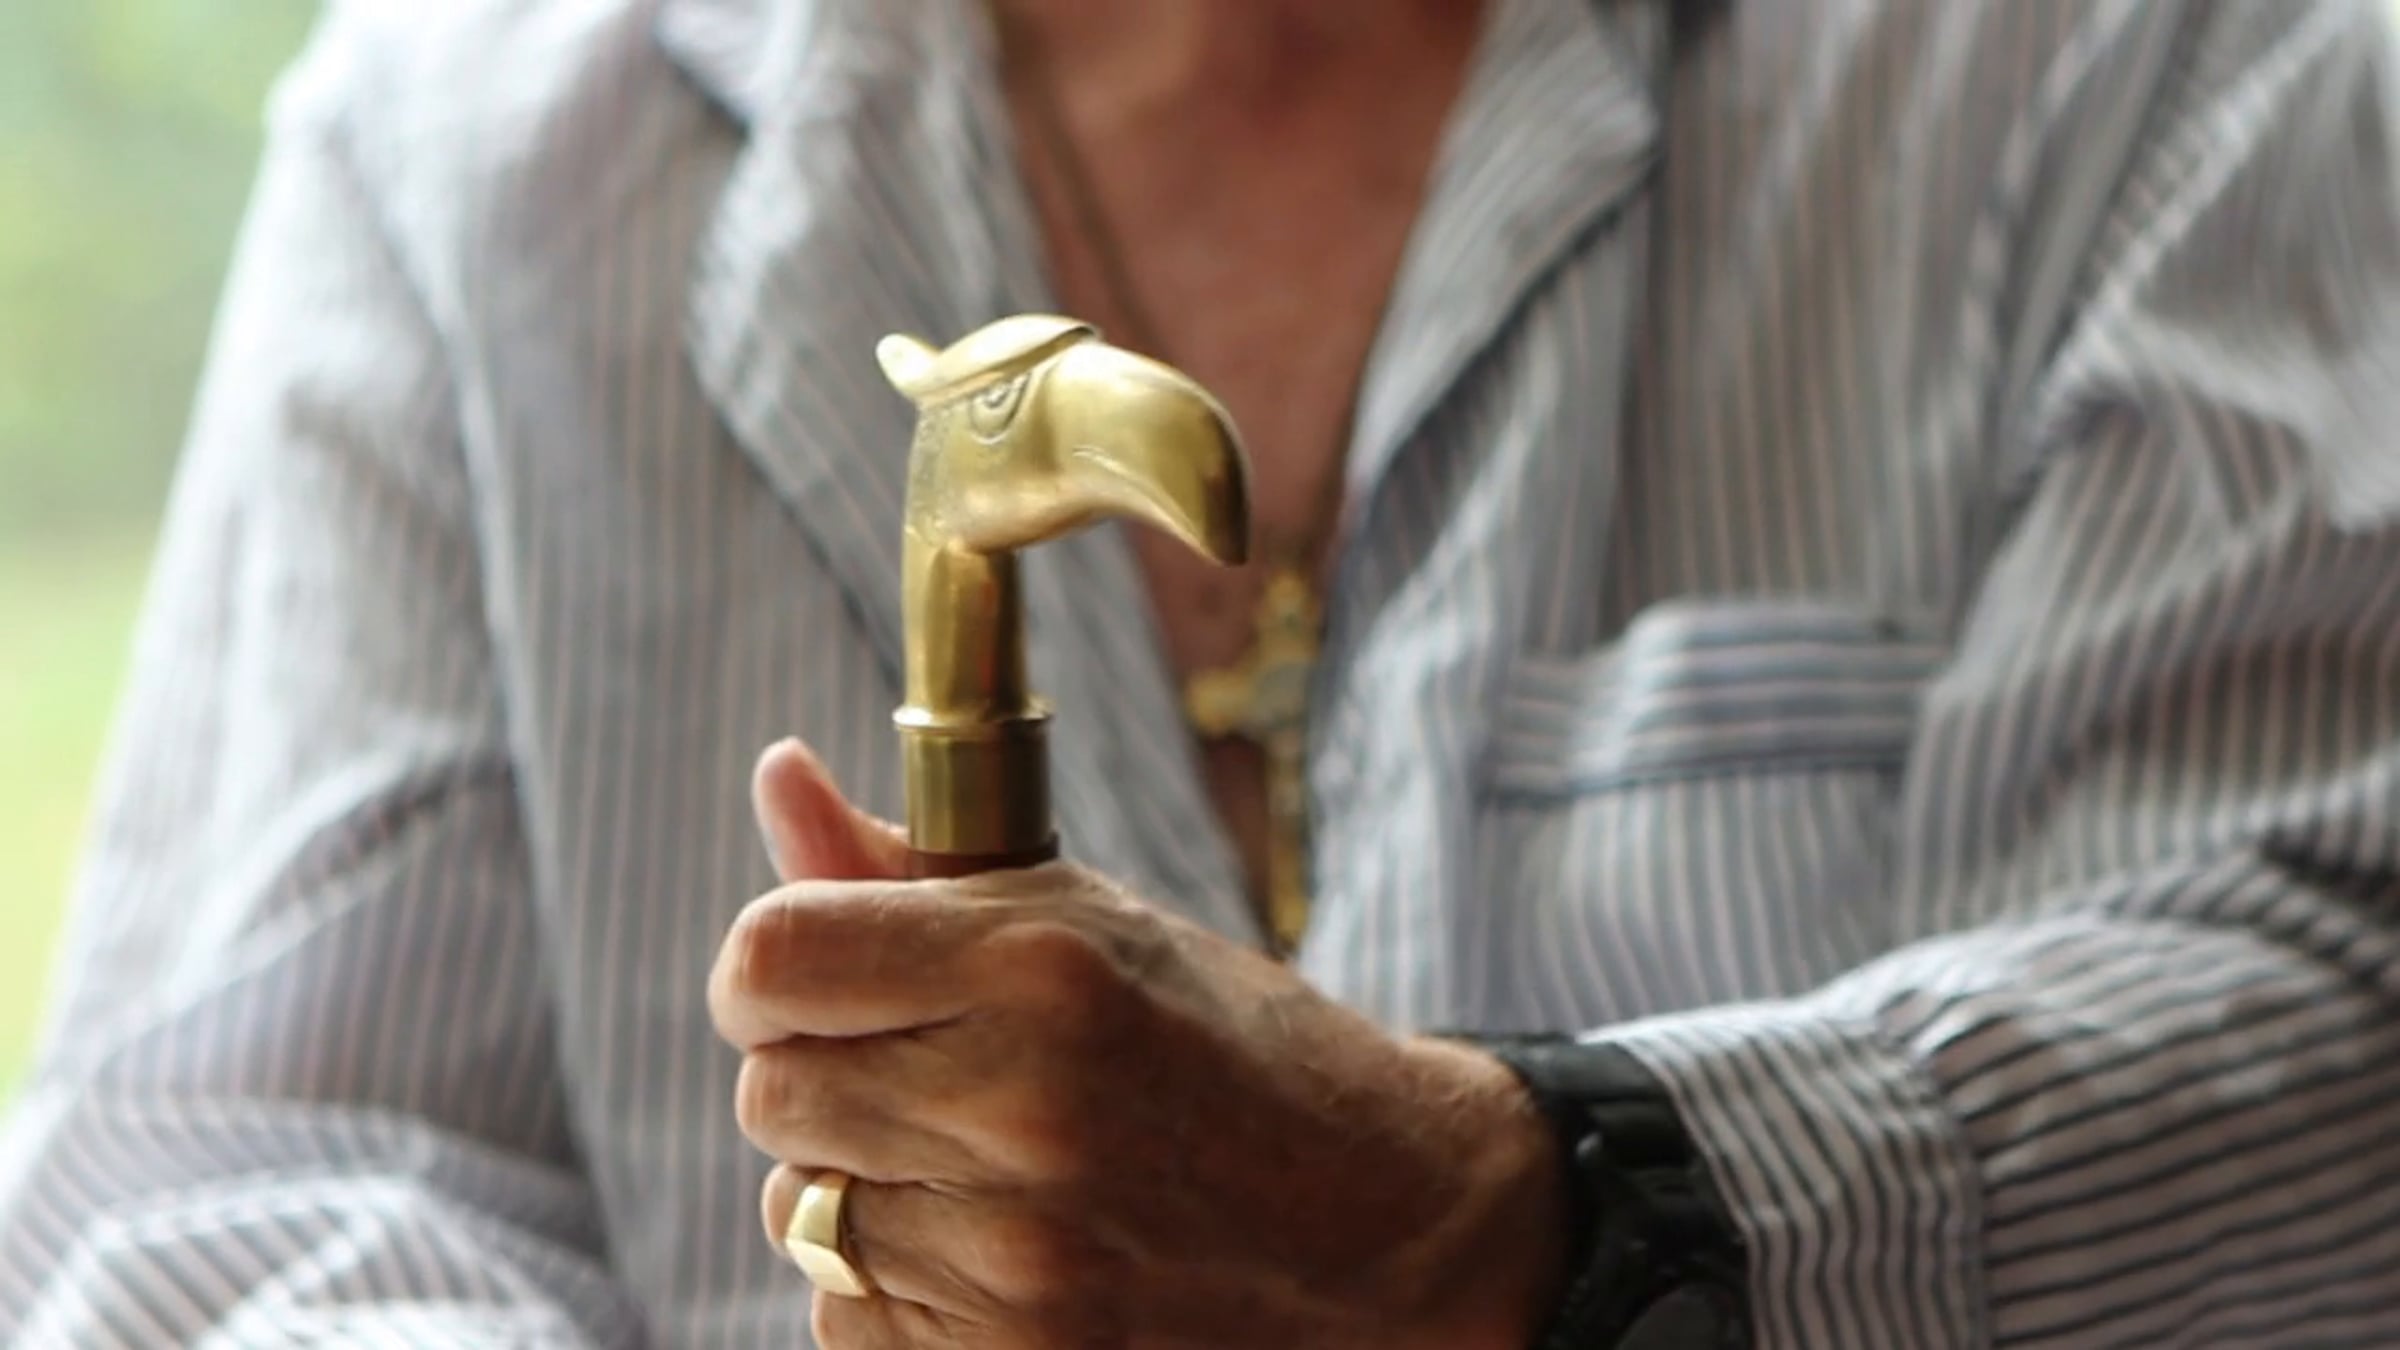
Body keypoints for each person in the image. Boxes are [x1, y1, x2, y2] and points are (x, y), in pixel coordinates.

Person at [4, 0, 2397, 1344]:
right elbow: (219, 1184)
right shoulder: (466, 154)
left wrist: (1549, 1204)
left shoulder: (2157, 69)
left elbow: (2325, 1036)